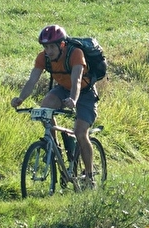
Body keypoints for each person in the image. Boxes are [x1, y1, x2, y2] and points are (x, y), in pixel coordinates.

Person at [11, 25, 98, 185]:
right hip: (62, 89)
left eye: (52, 46)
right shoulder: (43, 57)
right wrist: (20, 98)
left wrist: (73, 99)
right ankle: (54, 147)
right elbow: (32, 80)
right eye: (45, 47)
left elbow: (77, 80)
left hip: (85, 93)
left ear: (62, 45)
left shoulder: (75, 54)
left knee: (80, 132)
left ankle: (89, 176)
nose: (48, 51)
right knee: (45, 108)